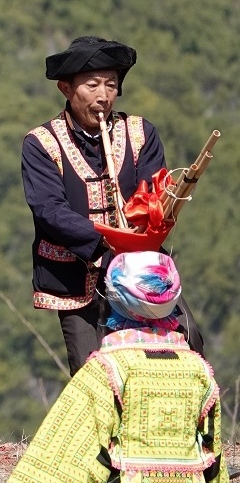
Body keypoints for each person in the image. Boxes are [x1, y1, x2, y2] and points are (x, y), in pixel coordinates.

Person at [21, 36, 203, 375]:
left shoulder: (140, 133)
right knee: (92, 372)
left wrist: (142, 225)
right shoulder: (40, 143)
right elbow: (49, 209)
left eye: (111, 85)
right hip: (76, 275)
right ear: (66, 88)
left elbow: (152, 194)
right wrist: (105, 242)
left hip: (141, 267)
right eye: (92, 85)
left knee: (188, 342)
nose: (103, 96)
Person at [9, 251, 227, 483]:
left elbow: (62, 457)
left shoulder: (107, 369)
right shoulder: (200, 371)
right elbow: (213, 458)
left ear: (113, 300)